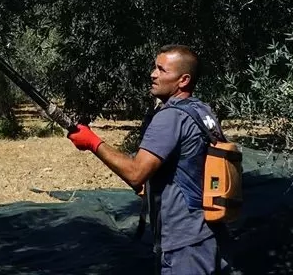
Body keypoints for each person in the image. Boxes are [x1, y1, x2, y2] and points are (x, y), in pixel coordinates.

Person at [67, 45, 230, 275]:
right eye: (155, 67)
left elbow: (136, 173)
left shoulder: (170, 117)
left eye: (162, 70)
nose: (153, 74)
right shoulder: (202, 111)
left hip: (184, 243)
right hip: (210, 234)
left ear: (183, 80)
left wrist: (92, 142)